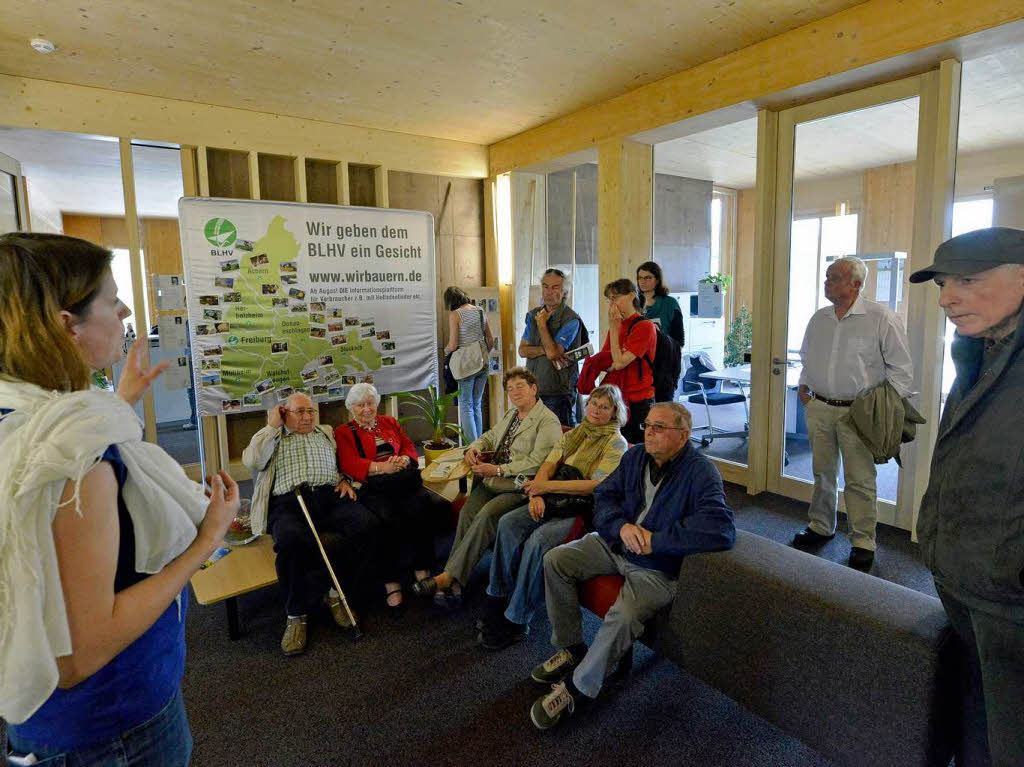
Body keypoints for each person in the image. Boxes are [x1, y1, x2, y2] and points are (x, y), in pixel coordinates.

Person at [0, 233, 239, 765]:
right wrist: (206, 539)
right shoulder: (76, 459)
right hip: (112, 730)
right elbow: (80, 653)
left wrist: (121, 401)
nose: (126, 309)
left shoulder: (24, 423)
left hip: (54, 727)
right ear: (67, 325)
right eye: (111, 299)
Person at [528, 402, 734, 729]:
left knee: (623, 614)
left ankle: (578, 687)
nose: (649, 432)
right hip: (615, 544)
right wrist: (621, 527)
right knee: (556, 559)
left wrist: (657, 541)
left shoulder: (700, 472)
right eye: (648, 425)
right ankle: (571, 648)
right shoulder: (635, 457)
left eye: (659, 428)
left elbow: (720, 529)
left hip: (656, 566)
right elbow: (605, 497)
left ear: (684, 435)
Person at [909, 227, 1024, 767]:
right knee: (975, 718)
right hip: (961, 573)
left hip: (1010, 591)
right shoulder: (979, 350)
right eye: (943, 284)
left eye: (968, 281)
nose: (948, 298)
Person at [478, 384, 628, 650]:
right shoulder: (576, 432)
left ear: (615, 412)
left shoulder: (616, 442)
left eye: (604, 407)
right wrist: (536, 493)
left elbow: (595, 486)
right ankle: (497, 594)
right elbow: (548, 464)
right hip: (550, 497)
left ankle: (517, 619)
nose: (596, 410)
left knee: (539, 541)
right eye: (594, 403)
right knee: (508, 523)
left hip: (581, 509)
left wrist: (546, 488)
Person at [793, 256, 913, 571]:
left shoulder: (880, 317)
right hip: (819, 406)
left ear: (856, 284)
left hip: (858, 414)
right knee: (822, 471)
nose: (826, 283)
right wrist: (804, 388)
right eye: (826, 277)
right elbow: (807, 356)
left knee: (859, 479)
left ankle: (863, 542)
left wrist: (881, 408)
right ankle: (821, 525)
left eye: (833, 277)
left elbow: (901, 371)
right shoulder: (820, 318)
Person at [242, 392, 379, 656]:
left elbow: (343, 462)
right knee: (290, 540)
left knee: (367, 525)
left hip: (329, 496)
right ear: (284, 413)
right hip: (290, 501)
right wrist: (272, 425)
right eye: (299, 412)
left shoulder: (325, 432)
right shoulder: (274, 436)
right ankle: (296, 615)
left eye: (310, 411)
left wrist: (342, 479)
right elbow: (252, 460)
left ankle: (336, 592)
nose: (307, 417)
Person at [412, 367, 562, 608]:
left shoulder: (547, 421)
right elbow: (490, 436)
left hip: (520, 485)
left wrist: (499, 470)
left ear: (534, 388)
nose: (514, 392)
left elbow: (539, 463)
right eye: (510, 389)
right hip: (493, 479)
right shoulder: (512, 415)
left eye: (520, 386)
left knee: (485, 516)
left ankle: (448, 577)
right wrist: (475, 448)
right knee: (467, 513)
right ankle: (455, 582)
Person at [335, 382, 436, 610]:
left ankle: (422, 568)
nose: (367, 409)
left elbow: (408, 445)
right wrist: (381, 468)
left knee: (422, 504)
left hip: (402, 480)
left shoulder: (389, 422)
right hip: (374, 486)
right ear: (352, 408)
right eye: (360, 405)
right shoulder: (344, 432)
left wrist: (405, 460)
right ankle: (391, 581)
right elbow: (348, 463)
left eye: (370, 403)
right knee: (386, 518)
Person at [518, 268, 585, 426]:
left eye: (555, 287)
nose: (548, 292)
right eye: (545, 286)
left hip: (559, 393)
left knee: (560, 441)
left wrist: (542, 325)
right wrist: (544, 349)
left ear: (564, 292)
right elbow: (522, 350)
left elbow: (554, 354)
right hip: (534, 390)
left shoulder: (571, 320)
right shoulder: (533, 315)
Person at [600, 278, 658, 444]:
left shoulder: (644, 326)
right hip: (616, 397)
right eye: (609, 299)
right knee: (614, 448)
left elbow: (618, 363)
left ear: (632, 295)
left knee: (636, 449)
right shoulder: (618, 325)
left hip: (638, 399)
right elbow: (606, 362)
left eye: (616, 297)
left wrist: (613, 328)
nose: (612, 303)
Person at [443, 286, 494, 443]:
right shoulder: (480, 311)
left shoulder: (455, 314)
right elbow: (490, 340)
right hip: (483, 362)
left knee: (466, 405)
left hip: (466, 366)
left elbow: (453, 345)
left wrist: (445, 352)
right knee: (476, 403)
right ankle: (479, 444)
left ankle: (472, 446)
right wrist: (481, 354)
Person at [636, 261, 684, 347]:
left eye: (648, 278)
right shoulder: (634, 303)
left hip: (664, 354)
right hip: (639, 355)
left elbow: (679, 339)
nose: (642, 281)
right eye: (640, 278)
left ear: (657, 280)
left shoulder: (670, 303)